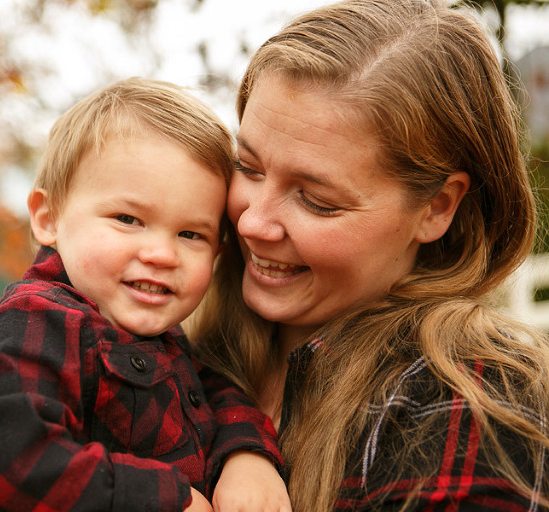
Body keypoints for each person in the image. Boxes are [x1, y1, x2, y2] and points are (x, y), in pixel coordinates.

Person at [190, 0, 549, 510]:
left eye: (317, 201)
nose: (251, 222)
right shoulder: (165, 338)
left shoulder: (468, 404)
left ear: (436, 207)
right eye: (246, 166)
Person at [0, 77, 290, 512]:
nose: (162, 254)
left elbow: (218, 394)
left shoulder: (161, 337)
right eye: (128, 218)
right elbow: (8, 459)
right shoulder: (33, 324)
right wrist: (165, 501)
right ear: (49, 218)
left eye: (191, 234)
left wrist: (246, 456)